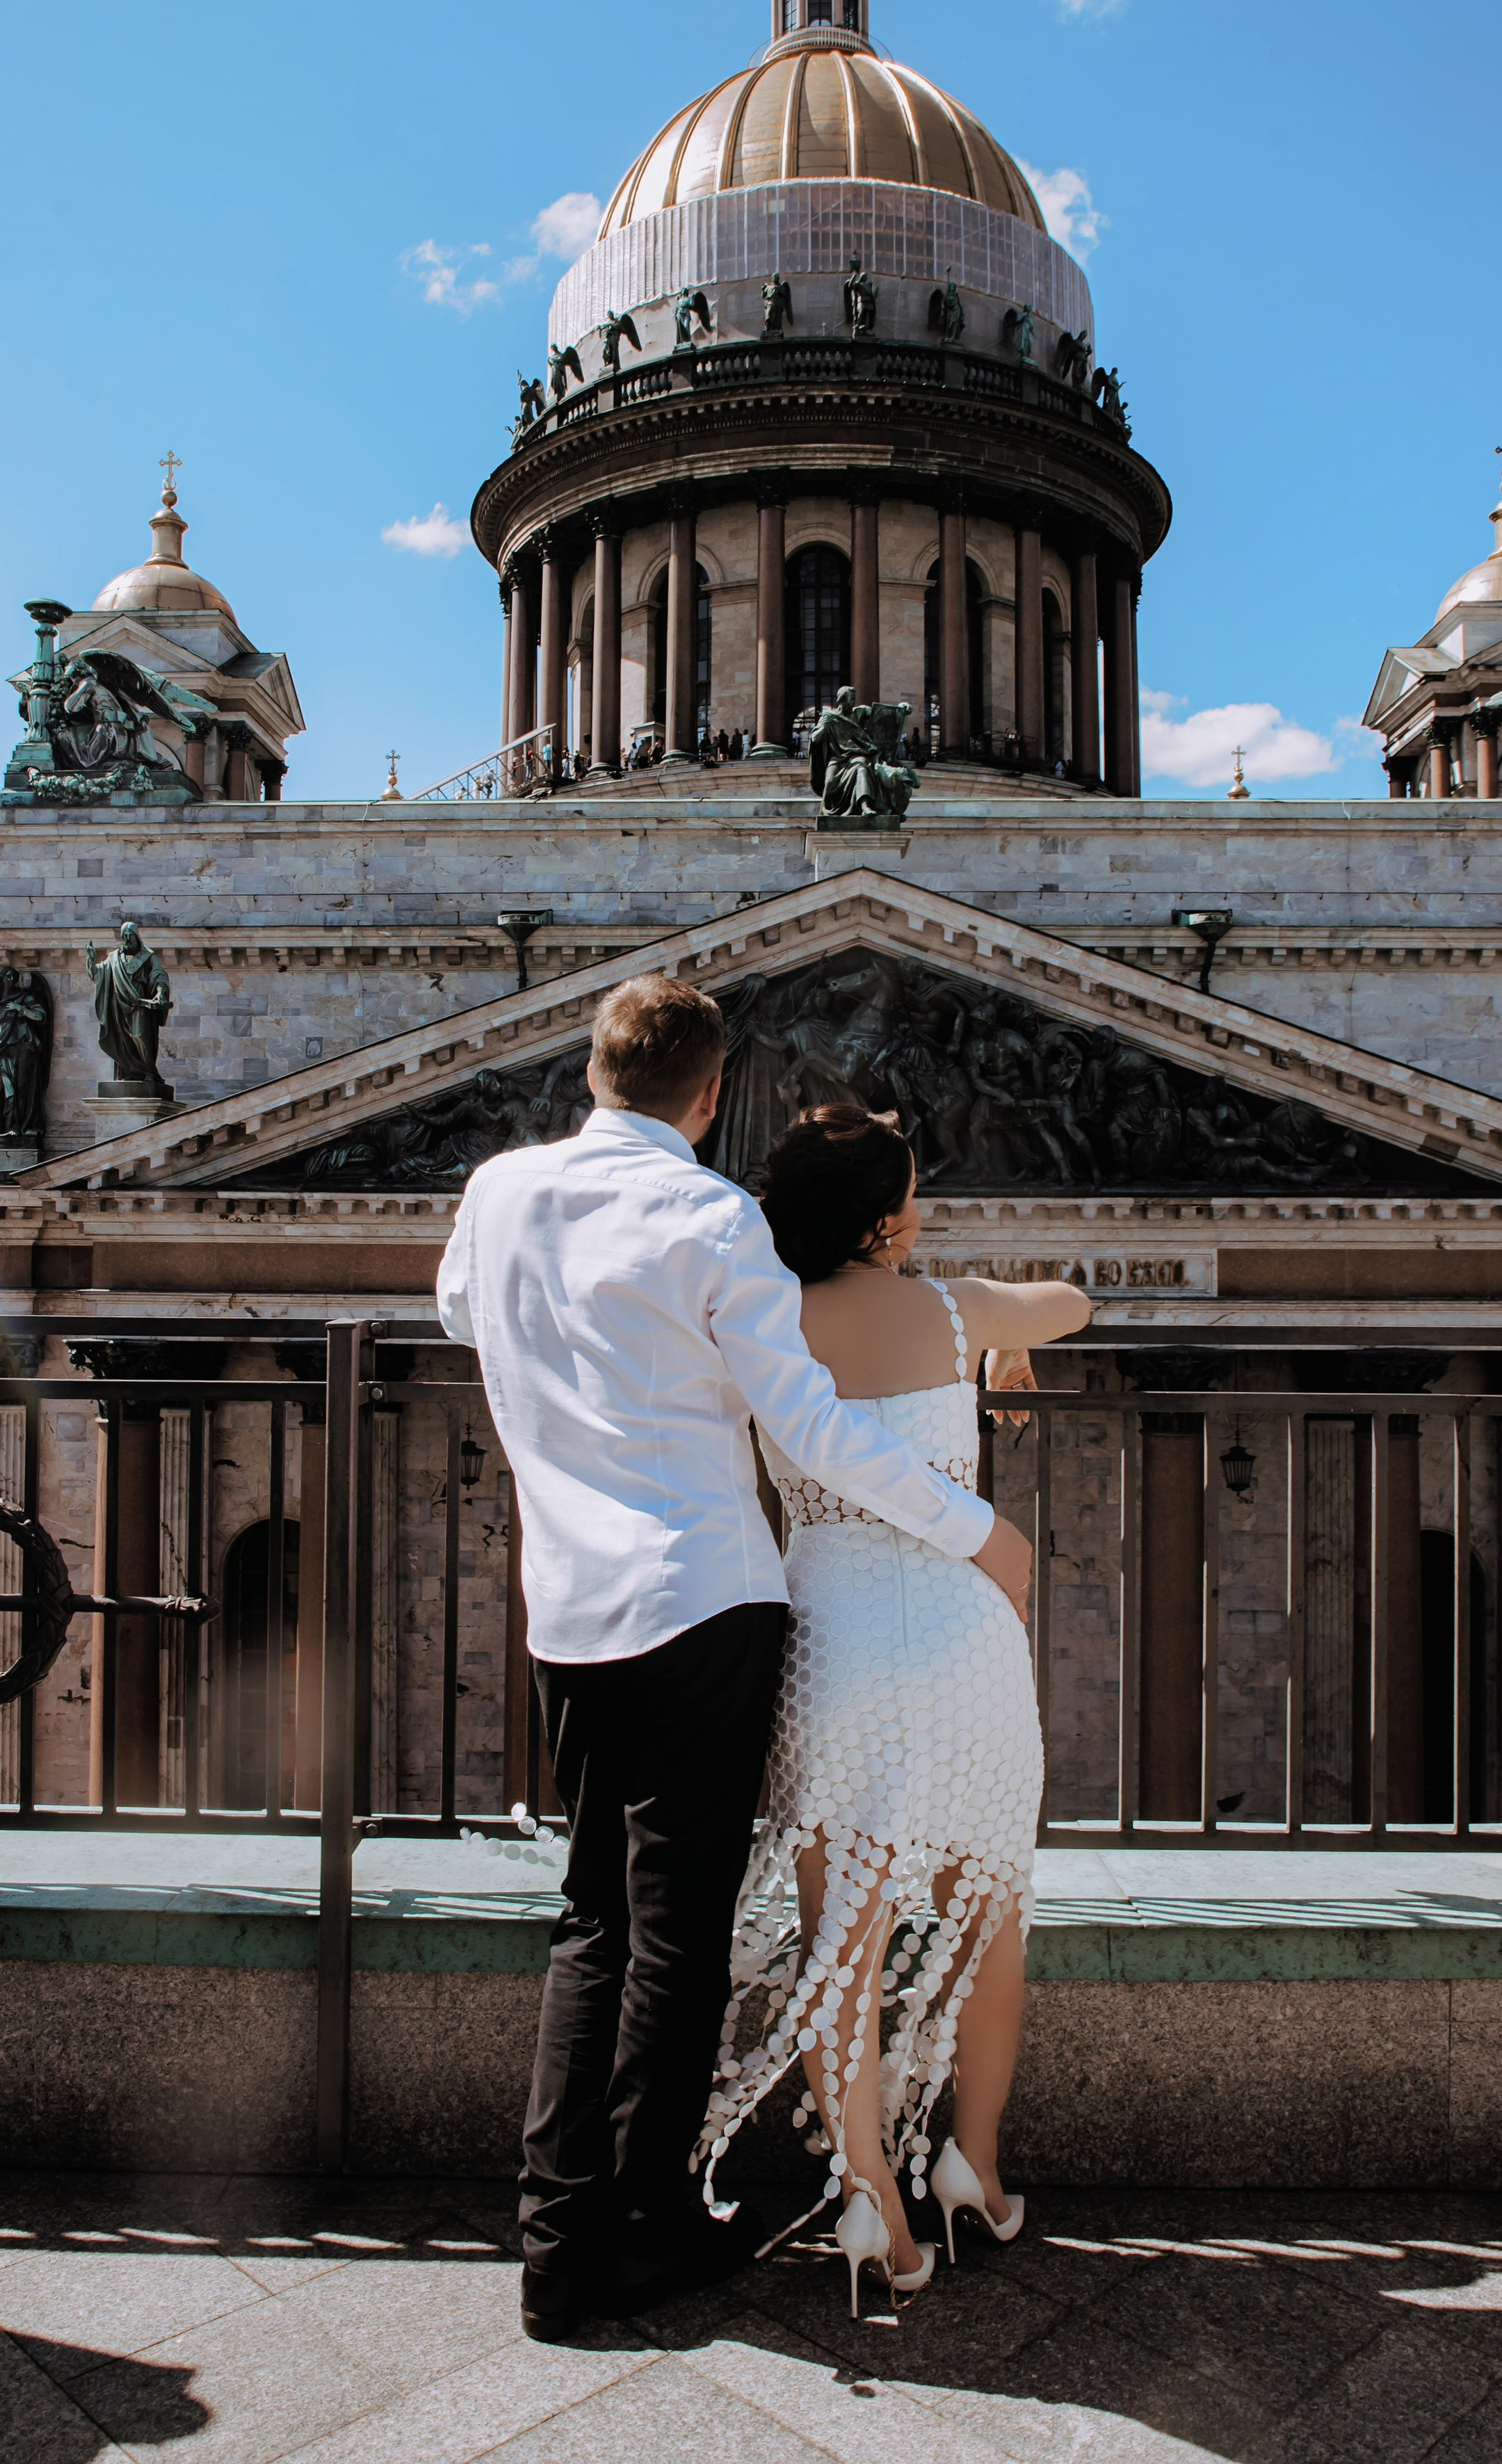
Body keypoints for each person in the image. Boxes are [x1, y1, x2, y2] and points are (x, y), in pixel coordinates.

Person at [437, 979, 1015, 2344]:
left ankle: (554, 2238)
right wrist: (968, 1526)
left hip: (565, 1610)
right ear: (708, 1098)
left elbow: (464, 1316)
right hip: (702, 1606)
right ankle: (639, 2229)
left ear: (596, 1072)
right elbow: (807, 1428)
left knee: (592, 1921)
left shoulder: (499, 1193)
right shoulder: (711, 1218)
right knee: (675, 1938)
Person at [700, 1104, 1090, 2314]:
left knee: (842, 1943)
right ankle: (975, 2165)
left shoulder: (764, 1324)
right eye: (912, 1193)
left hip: (838, 1643)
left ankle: (873, 2199)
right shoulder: (952, 1308)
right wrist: (995, 1347)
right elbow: (1070, 1298)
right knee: (988, 1913)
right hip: (969, 1628)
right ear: (885, 1219)